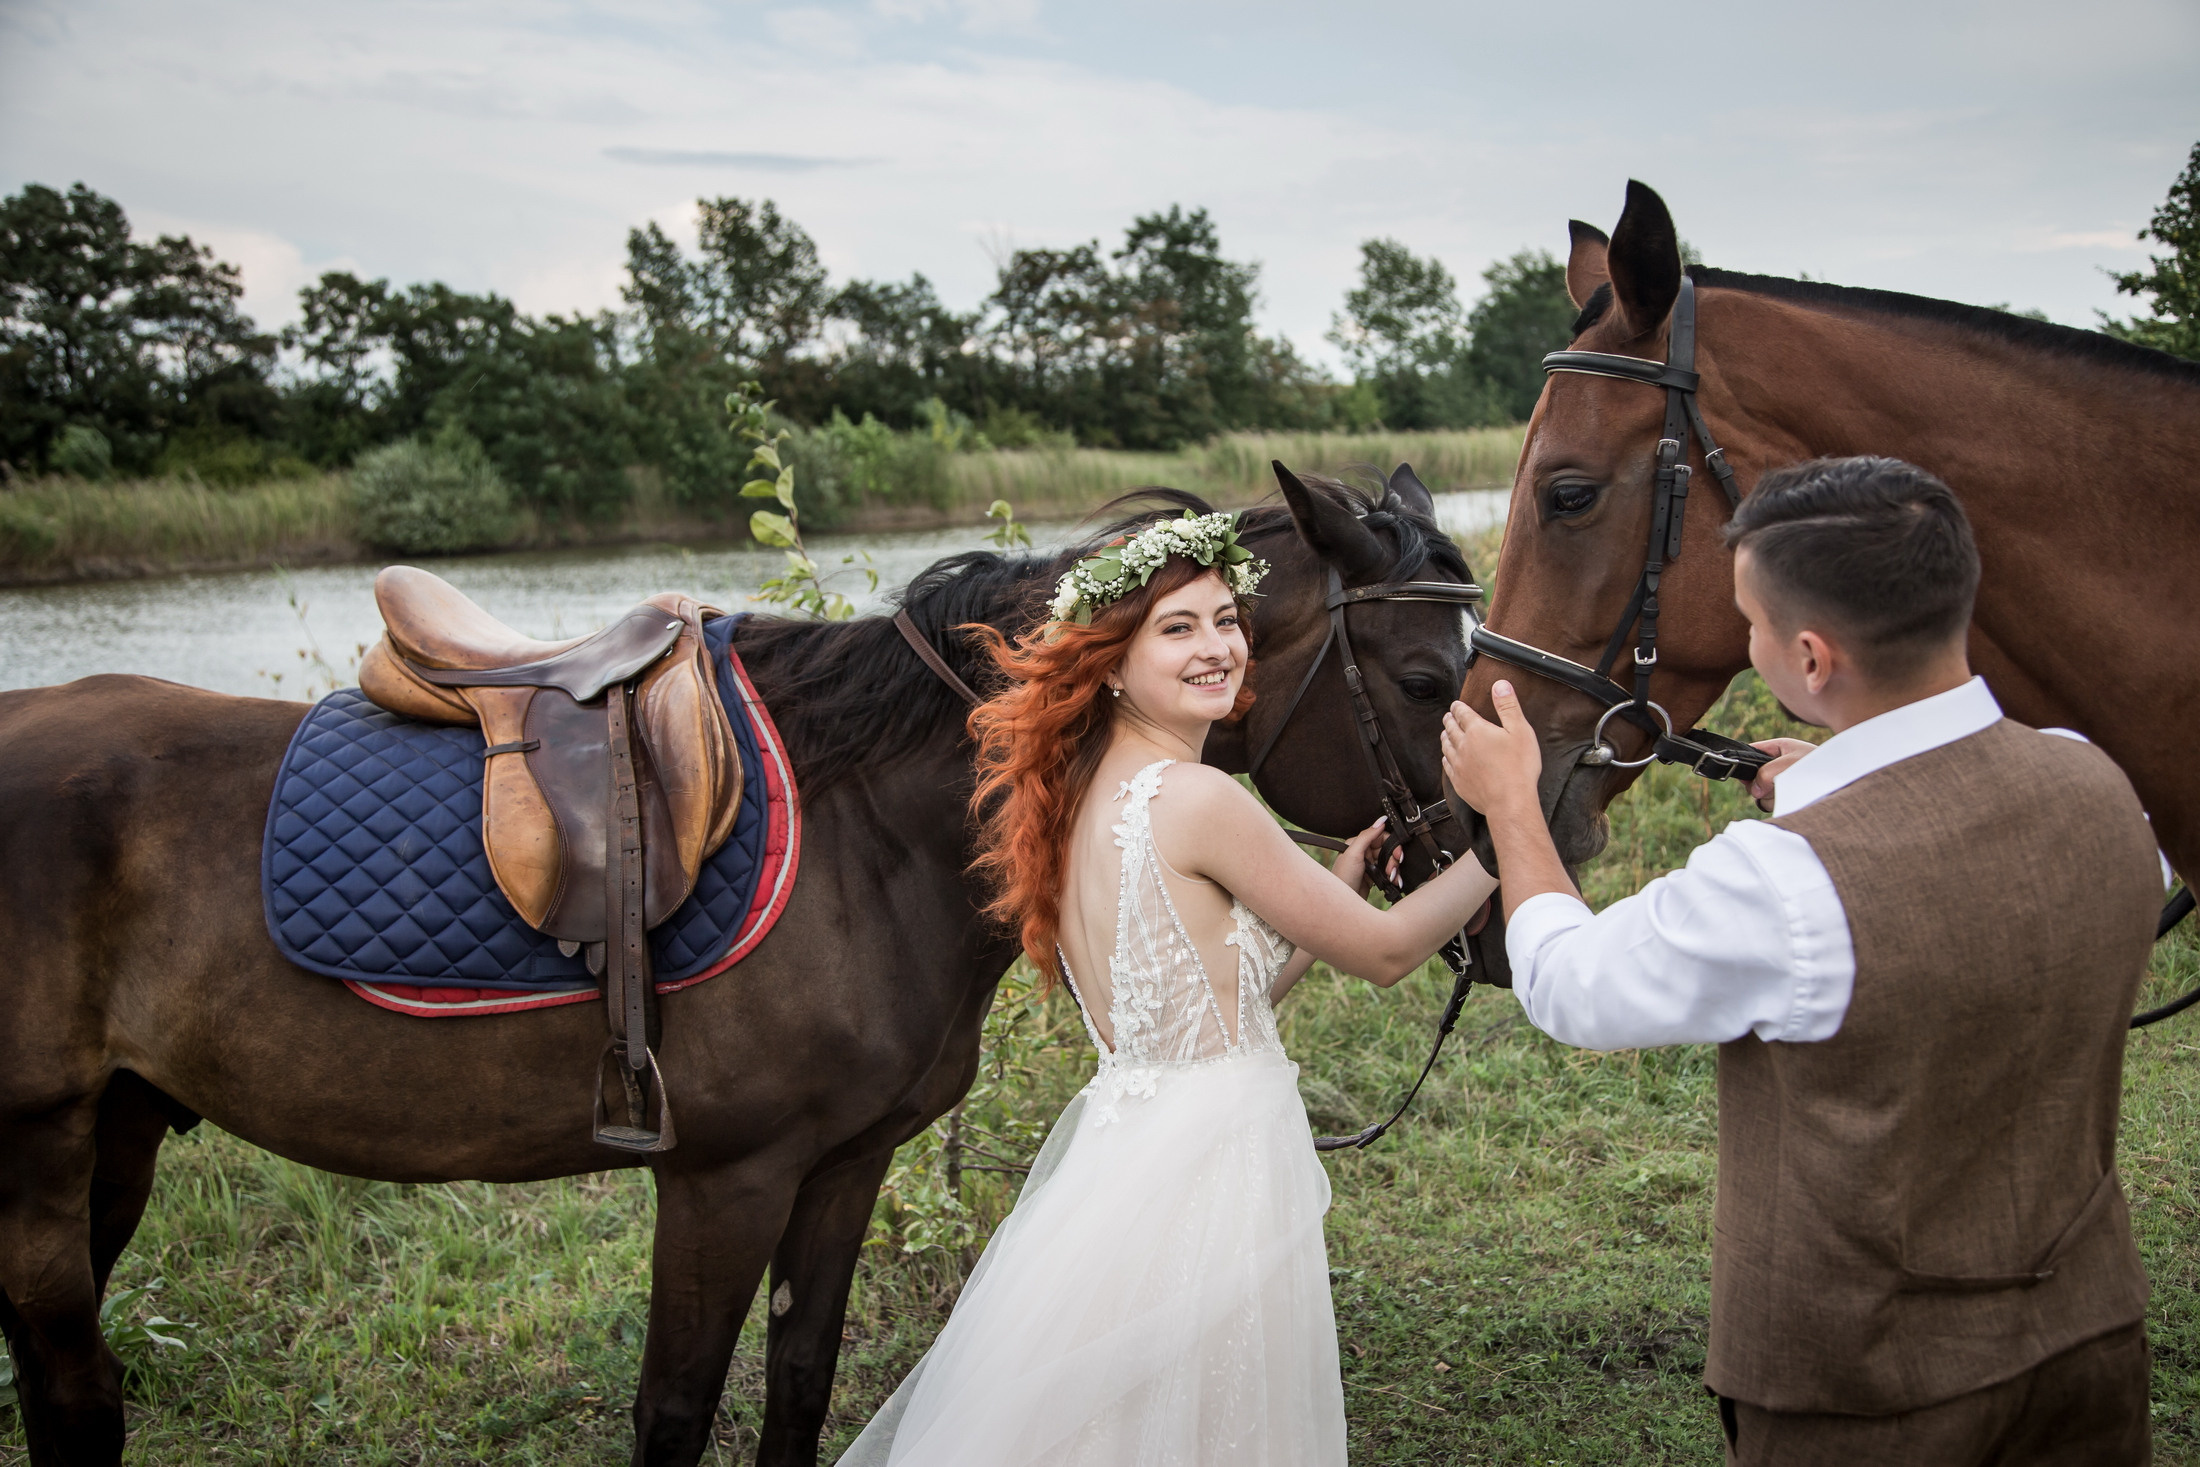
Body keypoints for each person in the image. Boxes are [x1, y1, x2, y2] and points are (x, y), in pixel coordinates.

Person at [1442, 456, 2163, 1466]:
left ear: (1811, 659)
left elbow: (1570, 985)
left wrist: (1514, 803)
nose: (1748, 644)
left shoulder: (1778, 884)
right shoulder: (2097, 785)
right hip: (2090, 1339)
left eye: (1751, 624)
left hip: (1872, 1391)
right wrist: (1840, 783)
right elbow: (1970, 843)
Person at [837, 508, 1499, 1466]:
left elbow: (1207, 1004)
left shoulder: (1076, 796)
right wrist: (1507, 843)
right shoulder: (1199, 797)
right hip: (1213, 1169)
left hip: (1133, 1152)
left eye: (1227, 619)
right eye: (1177, 628)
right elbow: (1392, 951)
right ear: (1110, 660)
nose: (1218, 646)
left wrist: (1332, 888)